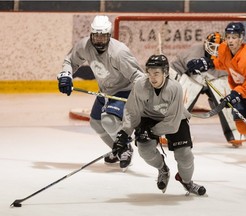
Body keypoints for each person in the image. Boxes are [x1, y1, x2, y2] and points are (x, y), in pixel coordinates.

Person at [185, 22, 246, 165]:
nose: (230, 40)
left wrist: (236, 94)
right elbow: (223, 63)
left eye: (234, 37)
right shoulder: (224, 48)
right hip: (241, 89)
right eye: (228, 37)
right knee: (242, 126)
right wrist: (207, 63)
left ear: (241, 38)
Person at [57, 15, 144, 170]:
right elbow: (70, 60)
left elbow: (138, 76)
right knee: (96, 123)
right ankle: (117, 150)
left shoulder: (119, 53)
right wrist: (66, 75)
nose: (99, 40)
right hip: (105, 91)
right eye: (96, 36)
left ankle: (125, 148)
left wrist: (142, 98)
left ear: (109, 36)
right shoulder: (84, 46)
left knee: (109, 121)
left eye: (103, 37)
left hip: (125, 90)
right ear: (91, 34)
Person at [112, 54, 206, 195]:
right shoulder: (140, 85)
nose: (152, 78)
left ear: (166, 73)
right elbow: (132, 111)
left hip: (175, 119)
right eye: (149, 73)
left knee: (185, 156)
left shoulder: (175, 88)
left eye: (156, 73)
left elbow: (172, 124)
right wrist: (124, 133)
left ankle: (186, 181)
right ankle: (163, 169)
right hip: (149, 117)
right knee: (144, 150)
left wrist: (150, 131)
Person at [170, 32, 246, 147]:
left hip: (214, 79)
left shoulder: (229, 54)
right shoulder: (195, 50)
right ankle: (172, 132)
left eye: (219, 48)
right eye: (212, 47)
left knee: (227, 95)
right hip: (190, 78)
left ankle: (235, 131)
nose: (215, 51)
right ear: (205, 45)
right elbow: (187, 66)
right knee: (183, 97)